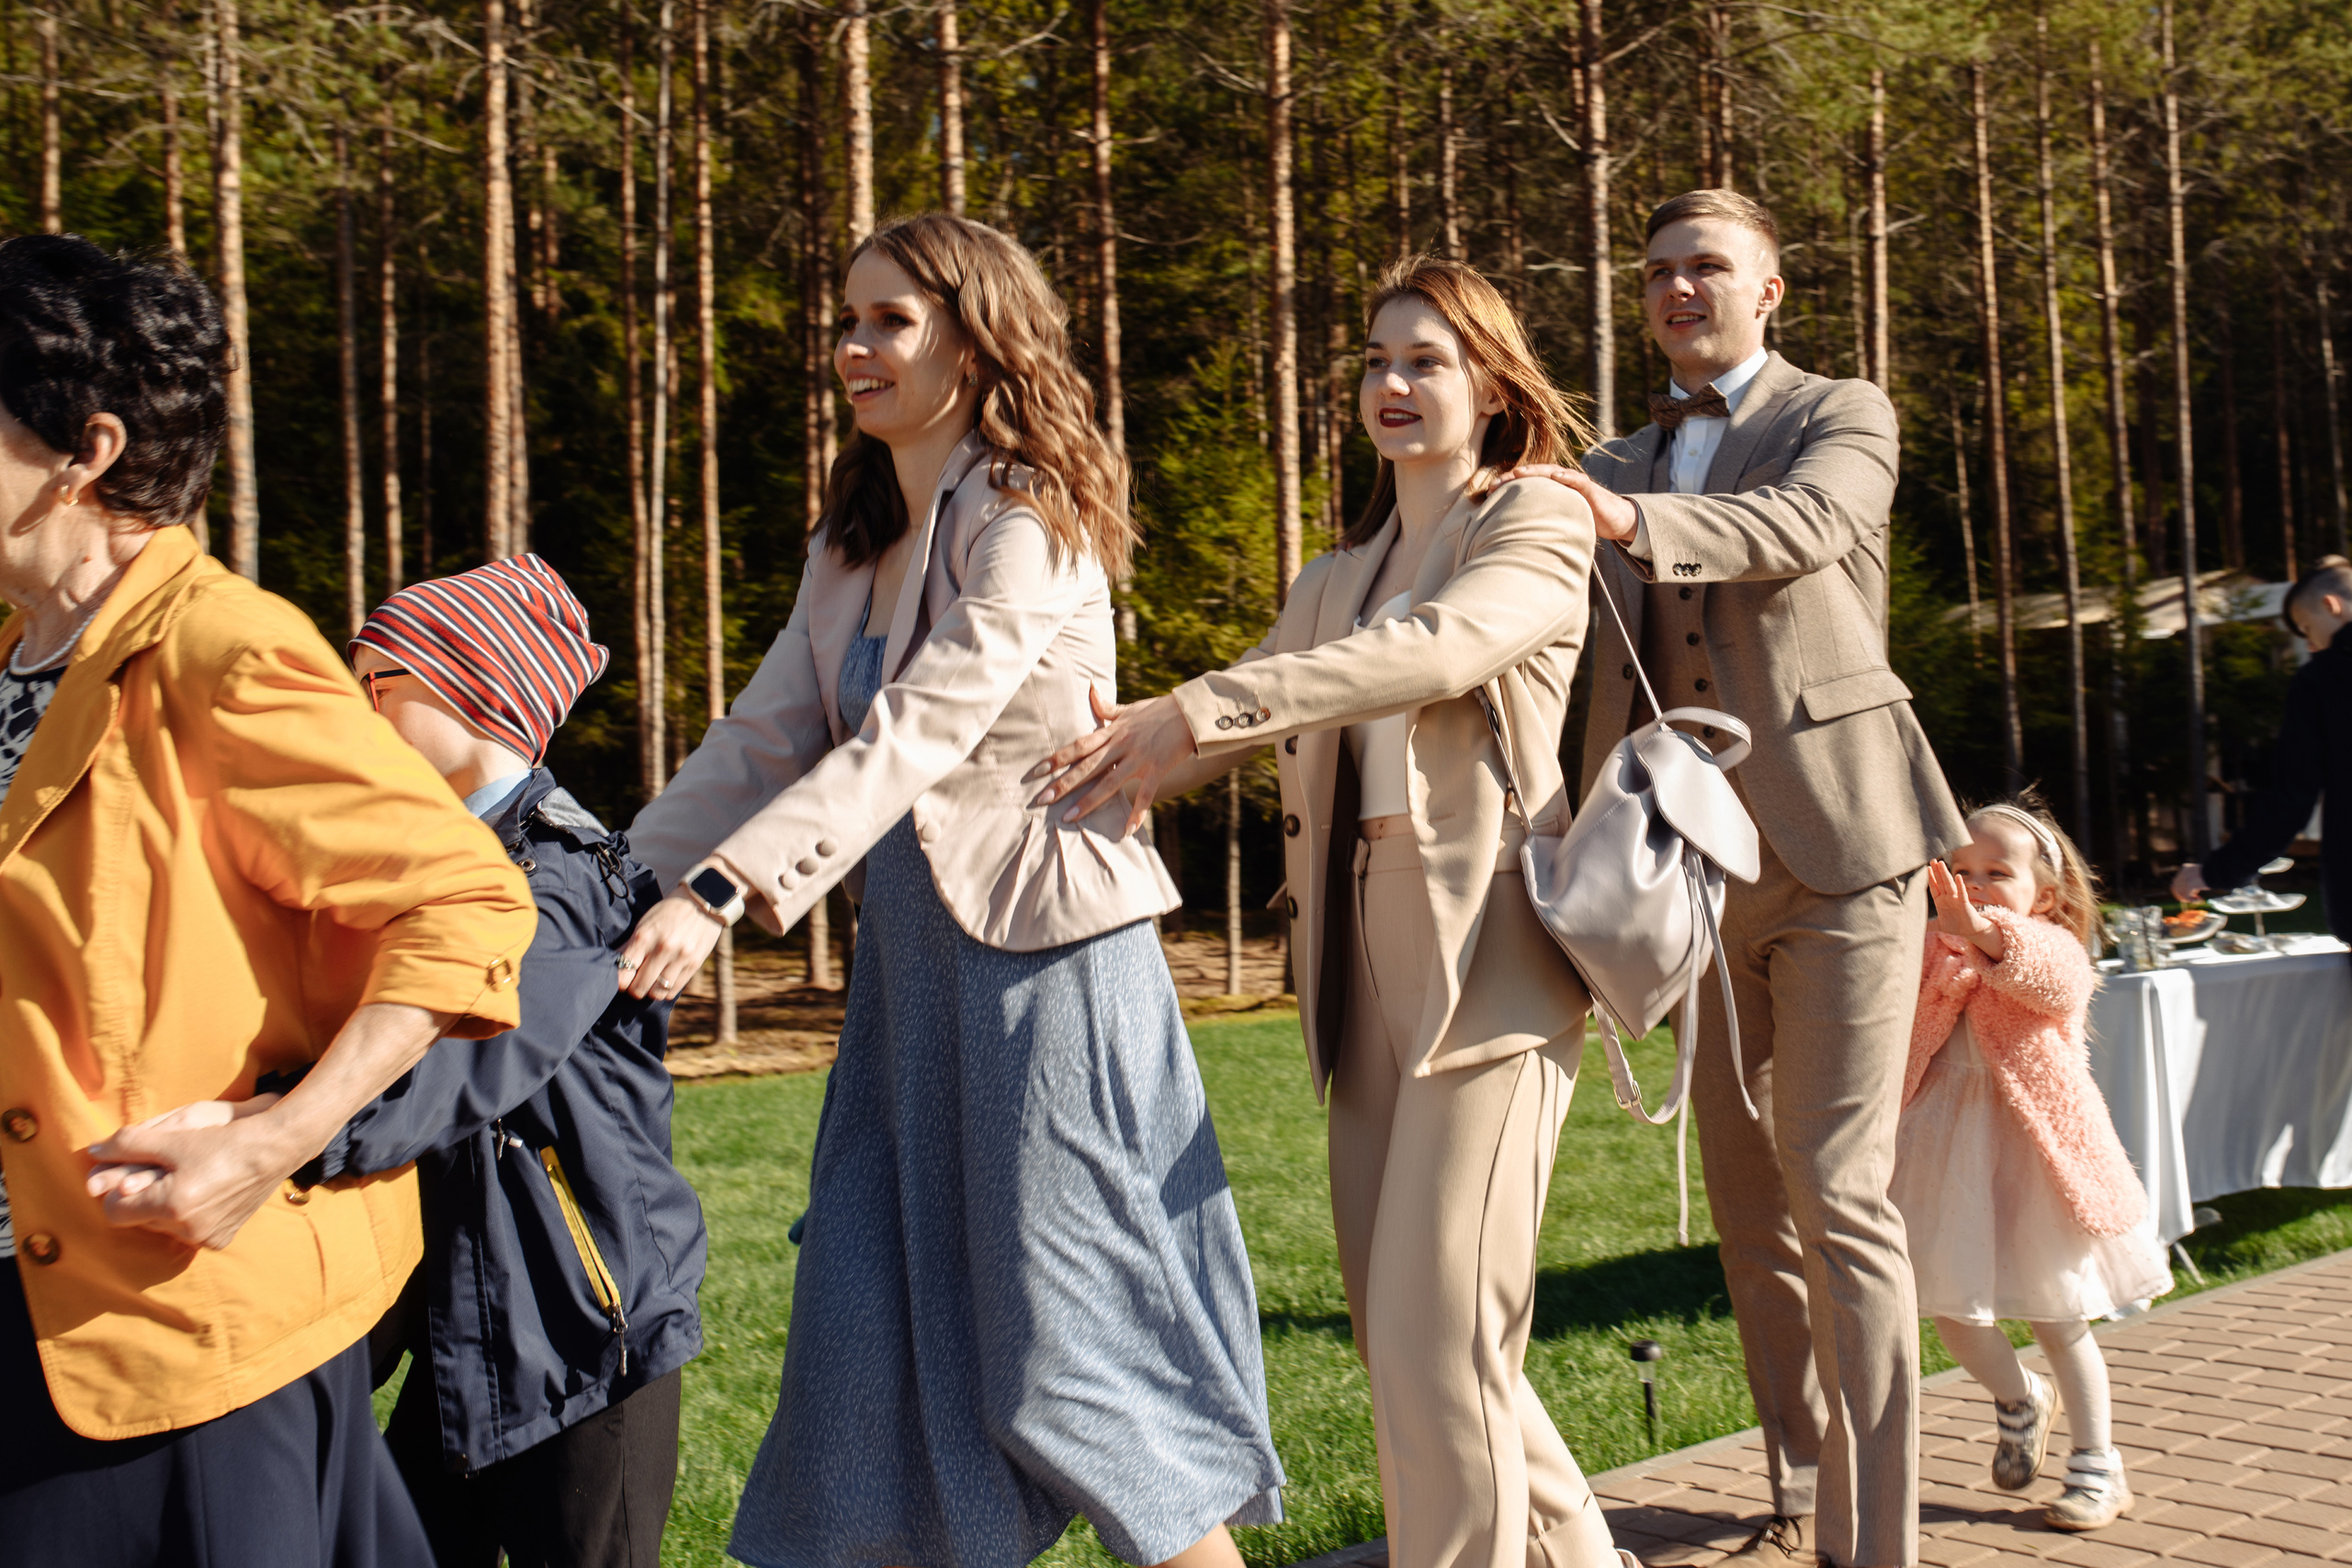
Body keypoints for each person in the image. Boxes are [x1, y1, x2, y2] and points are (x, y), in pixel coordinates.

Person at [617, 212, 1283, 1568]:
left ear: (976, 338)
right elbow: (766, 734)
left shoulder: (1030, 518)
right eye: (847, 321)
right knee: (864, 1338)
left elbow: (922, 725)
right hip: (912, 979)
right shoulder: (855, 540)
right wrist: (610, 874)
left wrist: (725, 890)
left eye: (890, 321)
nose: (854, 347)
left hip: (1048, 969)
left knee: (1077, 1353)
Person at [1040, 255, 1636, 1568]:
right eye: (1375, 359)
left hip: (1490, 958)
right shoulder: (1338, 572)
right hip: (1355, 964)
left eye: (1426, 359)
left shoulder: (1533, 520)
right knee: (1404, 1329)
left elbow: (1437, 652)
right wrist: (1086, 751)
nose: (1393, 382)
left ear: (1492, 384)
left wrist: (1195, 709)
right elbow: (1247, 701)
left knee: (1440, 1335)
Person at [0, 233, 537, 1566]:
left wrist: (278, 1137)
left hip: (162, 1332)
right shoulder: (20, 655)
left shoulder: (220, 650)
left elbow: (467, 902)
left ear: (86, 451)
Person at [1510, 189, 1968, 1568]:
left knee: (1836, 1184)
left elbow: (1804, 527)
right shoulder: (1613, 454)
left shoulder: (1844, 413)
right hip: (1685, 876)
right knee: (1745, 1197)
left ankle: (1870, 1541)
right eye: (1655, 272)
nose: (1676, 288)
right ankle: (1801, 1472)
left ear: (1771, 290)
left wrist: (1628, 518)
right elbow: (1575, 649)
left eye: (1706, 266)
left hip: (1841, 848)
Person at [334, 559, 701, 1567]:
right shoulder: (449, 865)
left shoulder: (559, 873)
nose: (357, 716)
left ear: (476, 692)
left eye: (380, 686)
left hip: (586, 1338)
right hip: (471, 1328)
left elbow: (455, 1064)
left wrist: (277, 1133)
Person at [1893, 793, 2170, 1531]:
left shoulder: (2051, 944)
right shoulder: (1930, 945)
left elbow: (2048, 980)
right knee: (1949, 1303)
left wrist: (1979, 930)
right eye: (1961, 868)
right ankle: (2019, 1396)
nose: (1976, 883)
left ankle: (2098, 1465)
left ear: (2043, 892)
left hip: (2036, 1148)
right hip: (1943, 1146)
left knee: (2058, 1311)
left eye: (1996, 871)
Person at [2171, 556, 2352, 933]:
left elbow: (2291, 799)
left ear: (2330, 606)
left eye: (2307, 628)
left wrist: (2216, 870)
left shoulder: (2323, 680)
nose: (2312, 645)